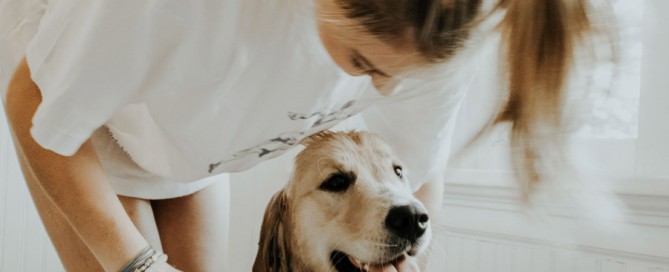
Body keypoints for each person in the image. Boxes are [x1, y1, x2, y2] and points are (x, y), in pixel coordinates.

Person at [2, 0, 591, 271]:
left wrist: (403, 263)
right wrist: (137, 267)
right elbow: (33, 103)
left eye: (403, 77)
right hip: (84, 123)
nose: (384, 96)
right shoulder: (172, 10)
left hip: (201, 144)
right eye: (365, 65)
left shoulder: (434, 34)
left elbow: (418, 173)